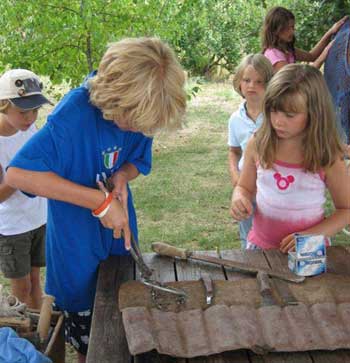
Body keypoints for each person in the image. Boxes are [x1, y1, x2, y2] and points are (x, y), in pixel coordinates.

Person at [5, 37, 186, 363]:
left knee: (127, 330)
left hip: (118, 244)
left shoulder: (140, 107)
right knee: (96, 345)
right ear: (113, 98)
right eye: (131, 121)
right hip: (76, 253)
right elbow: (18, 174)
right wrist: (98, 203)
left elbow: (134, 161)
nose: (135, 129)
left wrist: (122, 177)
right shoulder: (74, 115)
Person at [230, 64, 350, 252]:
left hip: (308, 251)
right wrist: (239, 197)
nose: (278, 121)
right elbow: (244, 187)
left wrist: (313, 234)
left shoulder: (327, 155)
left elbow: (346, 209)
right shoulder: (258, 143)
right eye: (273, 110)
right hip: (261, 248)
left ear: (314, 113)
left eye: (290, 115)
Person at [0, 69, 49, 309]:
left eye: (35, 110)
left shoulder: (29, 128)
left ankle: (41, 332)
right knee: (22, 290)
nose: (30, 118)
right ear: (2, 105)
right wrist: (18, 175)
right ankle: (22, 336)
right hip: (12, 229)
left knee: (35, 282)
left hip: (38, 218)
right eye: (22, 112)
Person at [228, 54, 273, 248]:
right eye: (246, 80)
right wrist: (235, 177)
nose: (251, 86)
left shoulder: (275, 115)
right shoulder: (235, 119)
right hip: (246, 185)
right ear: (239, 82)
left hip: (271, 185)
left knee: (270, 235)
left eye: (259, 82)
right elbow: (233, 150)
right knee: (248, 234)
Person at [262, 6, 347, 72]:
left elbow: (312, 56)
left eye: (292, 27)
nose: (292, 32)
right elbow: (298, 81)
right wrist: (323, 55)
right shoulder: (274, 55)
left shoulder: (286, 49)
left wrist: (331, 31)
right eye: (287, 28)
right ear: (275, 30)